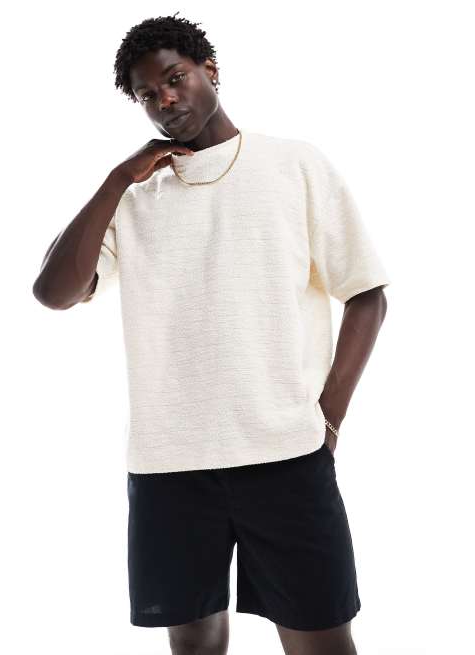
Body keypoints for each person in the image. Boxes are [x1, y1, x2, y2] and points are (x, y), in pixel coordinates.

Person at [33, 11, 391, 655]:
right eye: (147, 94)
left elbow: (366, 294)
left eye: (175, 79)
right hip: (170, 464)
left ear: (210, 70)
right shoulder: (135, 199)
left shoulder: (293, 164)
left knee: (321, 638)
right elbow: (53, 293)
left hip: (285, 455)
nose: (165, 100)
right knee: (194, 645)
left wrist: (329, 419)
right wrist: (117, 180)